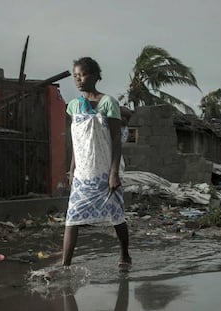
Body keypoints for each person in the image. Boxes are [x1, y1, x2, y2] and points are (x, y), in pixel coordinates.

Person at [62, 57, 132, 269]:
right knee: (72, 218)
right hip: (83, 173)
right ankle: (65, 265)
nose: (78, 79)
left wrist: (114, 173)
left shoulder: (108, 102)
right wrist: (72, 170)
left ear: (93, 75)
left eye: (82, 74)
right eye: (75, 76)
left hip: (104, 172)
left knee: (116, 216)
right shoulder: (73, 106)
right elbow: (77, 141)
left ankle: (124, 255)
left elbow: (115, 140)